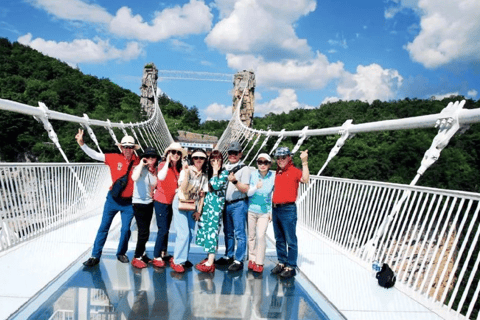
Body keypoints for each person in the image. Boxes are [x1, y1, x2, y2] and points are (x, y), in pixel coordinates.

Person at [75, 129, 140, 267]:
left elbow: (151, 169)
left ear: (134, 148)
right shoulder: (113, 158)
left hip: (129, 202)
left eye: (130, 147)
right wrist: (82, 144)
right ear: (121, 148)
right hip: (112, 200)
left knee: (125, 229)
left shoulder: (139, 161)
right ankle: (95, 256)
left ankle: (121, 253)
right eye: (125, 147)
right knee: (104, 227)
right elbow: (95, 155)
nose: (128, 150)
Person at [270, 147, 309, 279]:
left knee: (290, 239)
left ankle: (291, 266)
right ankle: (282, 262)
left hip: (288, 209)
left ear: (289, 158)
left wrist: (304, 162)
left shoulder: (294, 171)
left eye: (283, 157)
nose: (280, 160)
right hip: (276, 208)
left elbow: (305, 179)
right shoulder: (278, 172)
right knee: (279, 239)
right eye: (278, 158)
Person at [170, 148, 208, 273]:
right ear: (192, 159)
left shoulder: (204, 175)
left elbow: (202, 195)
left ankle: (183, 258)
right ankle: (177, 261)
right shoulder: (186, 170)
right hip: (181, 202)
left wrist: (199, 211)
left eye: (201, 158)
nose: (198, 160)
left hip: (192, 205)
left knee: (190, 233)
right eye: (196, 158)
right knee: (183, 233)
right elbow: (184, 188)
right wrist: (186, 174)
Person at [215, 141, 250, 272]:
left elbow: (245, 188)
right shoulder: (225, 167)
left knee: (240, 233)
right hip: (227, 204)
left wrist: (235, 181)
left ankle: (238, 259)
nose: (232, 155)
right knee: (228, 232)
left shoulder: (244, 169)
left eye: (235, 153)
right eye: (230, 153)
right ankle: (229, 255)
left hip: (238, 204)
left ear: (240, 154)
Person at [151, 142, 187, 268]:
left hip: (172, 202)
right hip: (161, 201)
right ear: (168, 153)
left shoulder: (180, 169)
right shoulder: (162, 165)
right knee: (163, 229)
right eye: (173, 152)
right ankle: (156, 255)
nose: (175, 155)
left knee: (166, 228)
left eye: (178, 153)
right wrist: (167, 162)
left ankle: (163, 252)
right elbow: (161, 177)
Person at [195, 150, 229, 273]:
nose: (215, 163)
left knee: (213, 232)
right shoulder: (208, 173)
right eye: (213, 160)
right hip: (207, 206)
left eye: (218, 160)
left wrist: (215, 171)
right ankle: (209, 257)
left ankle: (210, 262)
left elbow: (215, 185)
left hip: (216, 207)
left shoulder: (224, 173)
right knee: (206, 230)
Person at [130, 147, 160, 269]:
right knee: (143, 232)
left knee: (146, 230)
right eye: (148, 157)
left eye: (153, 157)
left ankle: (142, 254)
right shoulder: (140, 168)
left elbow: (154, 186)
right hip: (139, 203)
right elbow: (134, 178)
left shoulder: (155, 172)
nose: (150, 159)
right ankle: (137, 257)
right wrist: (141, 164)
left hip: (149, 203)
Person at [247, 153, 275, 274]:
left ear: (269, 164)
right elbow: (248, 193)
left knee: (261, 235)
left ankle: (259, 262)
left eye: (265, 162)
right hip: (251, 210)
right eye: (260, 162)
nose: (262, 165)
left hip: (264, 212)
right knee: (251, 236)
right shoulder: (252, 175)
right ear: (257, 163)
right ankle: (252, 259)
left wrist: (271, 211)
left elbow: (274, 195)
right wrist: (255, 188)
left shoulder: (273, 177)